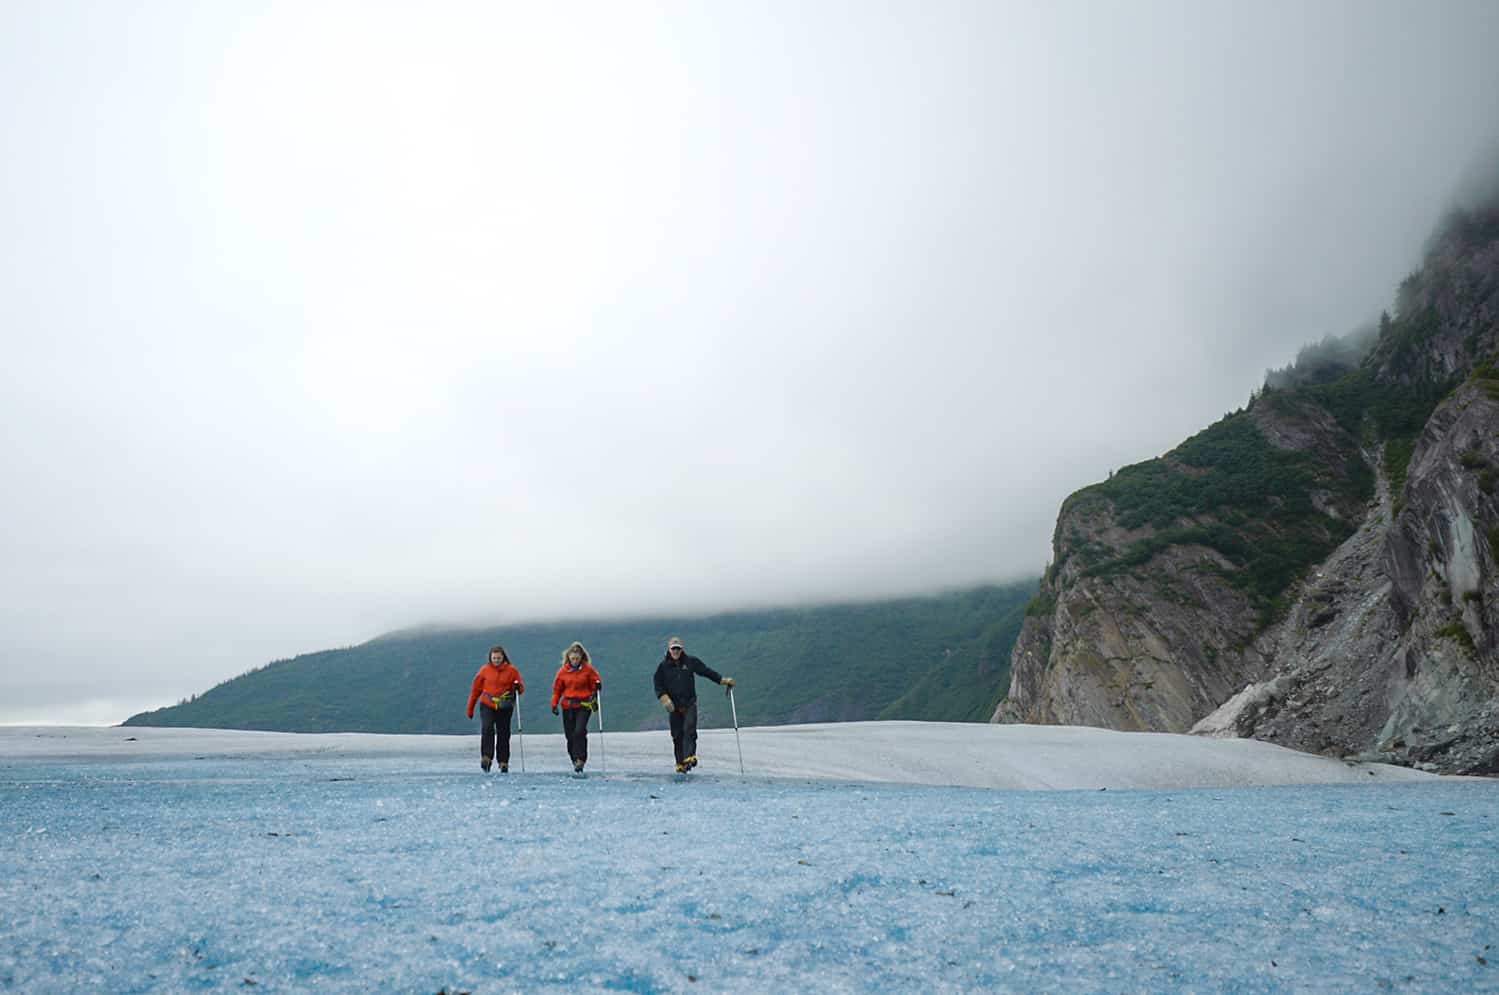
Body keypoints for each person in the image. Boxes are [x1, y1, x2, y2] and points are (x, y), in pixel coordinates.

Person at [654, 636, 734, 773]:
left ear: (681, 649)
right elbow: (658, 684)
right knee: (677, 735)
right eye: (673, 648)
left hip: (689, 703)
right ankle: (680, 764)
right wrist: (663, 698)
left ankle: (690, 756)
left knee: (689, 729)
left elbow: (706, 671)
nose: (676, 651)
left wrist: (722, 680)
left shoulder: (690, 662)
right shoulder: (663, 667)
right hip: (673, 706)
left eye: (678, 648)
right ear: (669, 650)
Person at [466, 645, 524, 773]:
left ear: (503, 657)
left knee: (503, 733)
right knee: (487, 728)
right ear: (490, 658)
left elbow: (521, 688)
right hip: (487, 703)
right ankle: (486, 757)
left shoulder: (512, 670)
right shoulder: (484, 670)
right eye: (494, 658)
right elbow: (476, 690)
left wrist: (517, 687)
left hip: (505, 706)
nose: (496, 660)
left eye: (498, 658)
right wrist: (470, 708)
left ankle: (503, 761)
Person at [550, 641, 601, 773]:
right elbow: (557, 690)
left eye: (577, 658)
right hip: (567, 706)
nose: (575, 661)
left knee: (579, 731)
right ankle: (574, 758)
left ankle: (581, 759)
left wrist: (597, 686)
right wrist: (554, 704)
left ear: (582, 657)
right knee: (570, 735)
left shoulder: (588, 670)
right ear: (568, 657)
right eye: (572, 658)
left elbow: (596, 682)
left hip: (584, 705)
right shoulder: (562, 672)